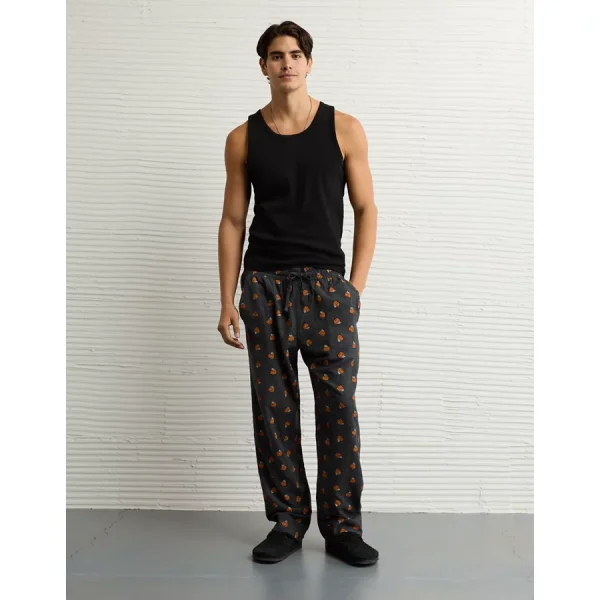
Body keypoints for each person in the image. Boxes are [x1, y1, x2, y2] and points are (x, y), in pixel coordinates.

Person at [217, 21, 379, 567]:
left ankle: (342, 527)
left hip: (327, 291)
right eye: (275, 55)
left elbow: (366, 209)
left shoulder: (344, 128)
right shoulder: (243, 138)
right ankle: (287, 522)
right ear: (263, 65)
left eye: (294, 54)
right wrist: (227, 299)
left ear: (309, 63)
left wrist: (353, 289)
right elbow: (233, 220)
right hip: (264, 287)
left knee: (338, 410)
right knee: (274, 411)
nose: (286, 63)